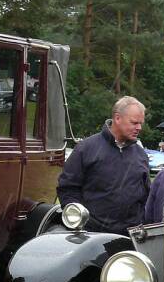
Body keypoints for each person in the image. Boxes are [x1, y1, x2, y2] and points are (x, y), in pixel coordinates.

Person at [57, 96, 150, 235]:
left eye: (140, 123)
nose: (139, 128)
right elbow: (68, 189)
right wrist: (81, 221)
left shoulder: (141, 155)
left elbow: (145, 196)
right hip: (90, 234)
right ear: (117, 118)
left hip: (128, 236)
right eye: (134, 122)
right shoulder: (86, 149)